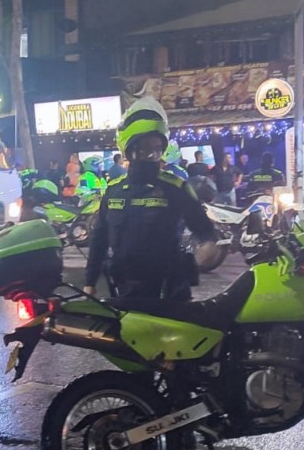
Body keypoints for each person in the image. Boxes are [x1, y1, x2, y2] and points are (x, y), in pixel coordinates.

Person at [84, 98, 215, 300]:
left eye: (157, 149)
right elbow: (99, 239)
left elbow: (203, 229)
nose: (152, 154)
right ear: (130, 150)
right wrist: (89, 282)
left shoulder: (176, 187)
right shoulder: (114, 190)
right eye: (145, 148)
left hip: (168, 291)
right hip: (125, 289)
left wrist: (208, 245)